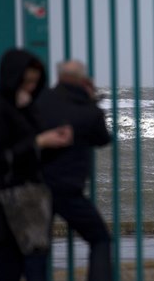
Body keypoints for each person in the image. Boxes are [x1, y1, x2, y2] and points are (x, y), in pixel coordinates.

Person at [0, 48, 73, 281]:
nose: (30, 86)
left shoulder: (27, 108)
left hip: (30, 206)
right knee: (8, 273)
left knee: (35, 270)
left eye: (35, 82)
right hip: (1, 209)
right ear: (12, 77)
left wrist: (53, 138)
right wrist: (38, 141)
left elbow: (37, 150)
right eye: (26, 81)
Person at [36, 60, 112, 281]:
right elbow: (102, 138)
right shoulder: (87, 109)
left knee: (38, 248)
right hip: (69, 191)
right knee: (100, 239)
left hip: (37, 187)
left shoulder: (41, 101)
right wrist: (91, 99)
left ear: (59, 76)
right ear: (82, 79)